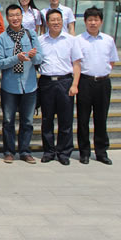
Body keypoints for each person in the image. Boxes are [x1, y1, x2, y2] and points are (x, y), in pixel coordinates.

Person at [0, 4, 43, 164]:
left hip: (29, 85)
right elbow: (1, 63)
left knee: (27, 121)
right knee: (8, 121)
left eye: (17, 15)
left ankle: (25, 151)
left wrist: (33, 56)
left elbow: (40, 58)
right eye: (11, 16)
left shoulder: (31, 35)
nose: (15, 18)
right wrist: (17, 58)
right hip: (10, 86)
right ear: (7, 18)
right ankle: (9, 151)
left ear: (22, 16)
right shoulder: (1, 38)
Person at [38, 9, 83, 165]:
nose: (56, 22)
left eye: (59, 19)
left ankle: (64, 153)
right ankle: (49, 151)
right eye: (53, 20)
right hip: (46, 82)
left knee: (66, 120)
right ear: (47, 22)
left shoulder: (71, 40)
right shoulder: (40, 40)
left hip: (65, 82)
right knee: (47, 119)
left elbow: (76, 64)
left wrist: (75, 84)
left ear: (62, 21)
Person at [76, 6, 119, 165]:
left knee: (101, 118)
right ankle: (84, 152)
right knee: (83, 119)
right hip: (85, 82)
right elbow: (76, 62)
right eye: (90, 20)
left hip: (103, 83)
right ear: (85, 21)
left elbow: (112, 61)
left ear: (101, 21)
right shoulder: (78, 40)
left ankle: (101, 152)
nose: (93, 23)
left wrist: (102, 73)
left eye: (96, 20)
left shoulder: (108, 40)